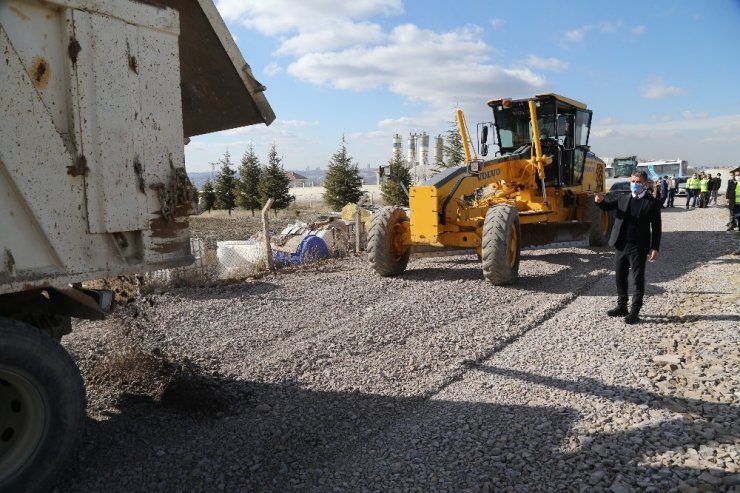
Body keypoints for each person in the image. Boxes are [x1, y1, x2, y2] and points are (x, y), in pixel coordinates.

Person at [595, 170, 661, 324]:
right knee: (620, 277)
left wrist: (654, 247)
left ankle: (635, 311)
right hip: (621, 245)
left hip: (638, 247)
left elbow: (657, 227)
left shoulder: (652, 203)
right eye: (633, 181)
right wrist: (599, 201)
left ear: (645, 184)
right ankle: (622, 306)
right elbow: (606, 206)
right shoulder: (623, 199)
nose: (634, 184)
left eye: (638, 182)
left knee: (638, 279)